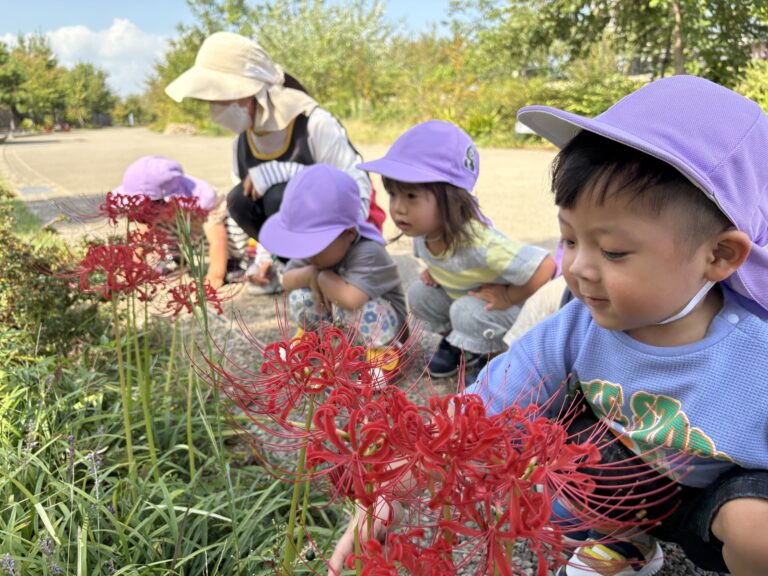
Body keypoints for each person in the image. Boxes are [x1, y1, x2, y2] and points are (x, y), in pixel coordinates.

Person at [329, 76, 768, 576]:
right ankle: (624, 541)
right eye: (570, 240)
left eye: (613, 251)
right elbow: (487, 402)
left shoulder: (757, 359)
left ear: (719, 255)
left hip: (709, 499)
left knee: (757, 528)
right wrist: (398, 486)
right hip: (620, 478)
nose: (578, 268)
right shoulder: (580, 324)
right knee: (543, 471)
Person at [165, 31, 386, 294]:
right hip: (303, 243)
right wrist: (264, 259)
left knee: (280, 195)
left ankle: (336, 269)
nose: (215, 108)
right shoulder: (242, 143)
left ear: (251, 92)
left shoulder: (314, 123)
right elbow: (258, 216)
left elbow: (352, 185)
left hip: (347, 231)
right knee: (240, 199)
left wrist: (360, 248)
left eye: (219, 98)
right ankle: (288, 269)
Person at [358, 120, 556, 379]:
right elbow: (444, 263)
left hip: (509, 311)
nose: (398, 208)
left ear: (451, 198)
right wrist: (435, 271)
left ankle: (495, 361)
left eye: (411, 196)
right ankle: (461, 346)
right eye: (393, 194)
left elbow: (546, 266)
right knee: (419, 293)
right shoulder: (421, 230)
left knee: (464, 311)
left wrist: (508, 297)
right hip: (468, 299)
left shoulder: (480, 243)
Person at [259, 164, 407, 360]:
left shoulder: (368, 252)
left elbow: (350, 299)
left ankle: (384, 355)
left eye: (316, 244)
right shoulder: (315, 254)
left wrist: (321, 278)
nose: (308, 253)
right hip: (342, 326)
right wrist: (311, 275)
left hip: (384, 329)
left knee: (357, 307)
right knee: (300, 297)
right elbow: (287, 280)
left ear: (349, 234)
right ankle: (313, 338)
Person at [113, 155, 248, 289]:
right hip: (188, 234)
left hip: (217, 235)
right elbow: (143, 237)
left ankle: (235, 262)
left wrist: (215, 275)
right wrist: (133, 267)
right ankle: (176, 258)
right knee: (157, 228)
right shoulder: (158, 208)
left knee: (234, 228)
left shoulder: (202, 199)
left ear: (165, 201)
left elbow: (218, 241)